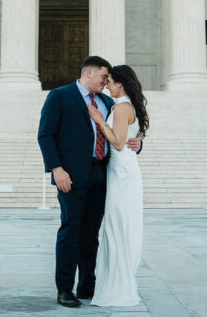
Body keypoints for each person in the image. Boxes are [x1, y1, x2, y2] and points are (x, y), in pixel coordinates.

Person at [37, 56, 141, 308]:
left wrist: (138, 144)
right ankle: (64, 289)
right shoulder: (60, 96)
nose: (107, 83)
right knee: (71, 229)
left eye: (109, 79)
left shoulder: (108, 102)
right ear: (90, 73)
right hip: (70, 176)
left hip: (102, 174)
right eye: (104, 77)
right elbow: (45, 134)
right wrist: (56, 168)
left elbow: (120, 136)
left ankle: (87, 284)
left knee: (91, 233)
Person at [88, 64, 148, 307]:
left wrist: (101, 121)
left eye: (110, 81)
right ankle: (115, 281)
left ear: (120, 83)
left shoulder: (122, 107)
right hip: (119, 170)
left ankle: (119, 286)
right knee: (117, 225)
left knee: (118, 225)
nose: (107, 85)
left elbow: (119, 143)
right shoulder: (122, 106)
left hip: (122, 171)